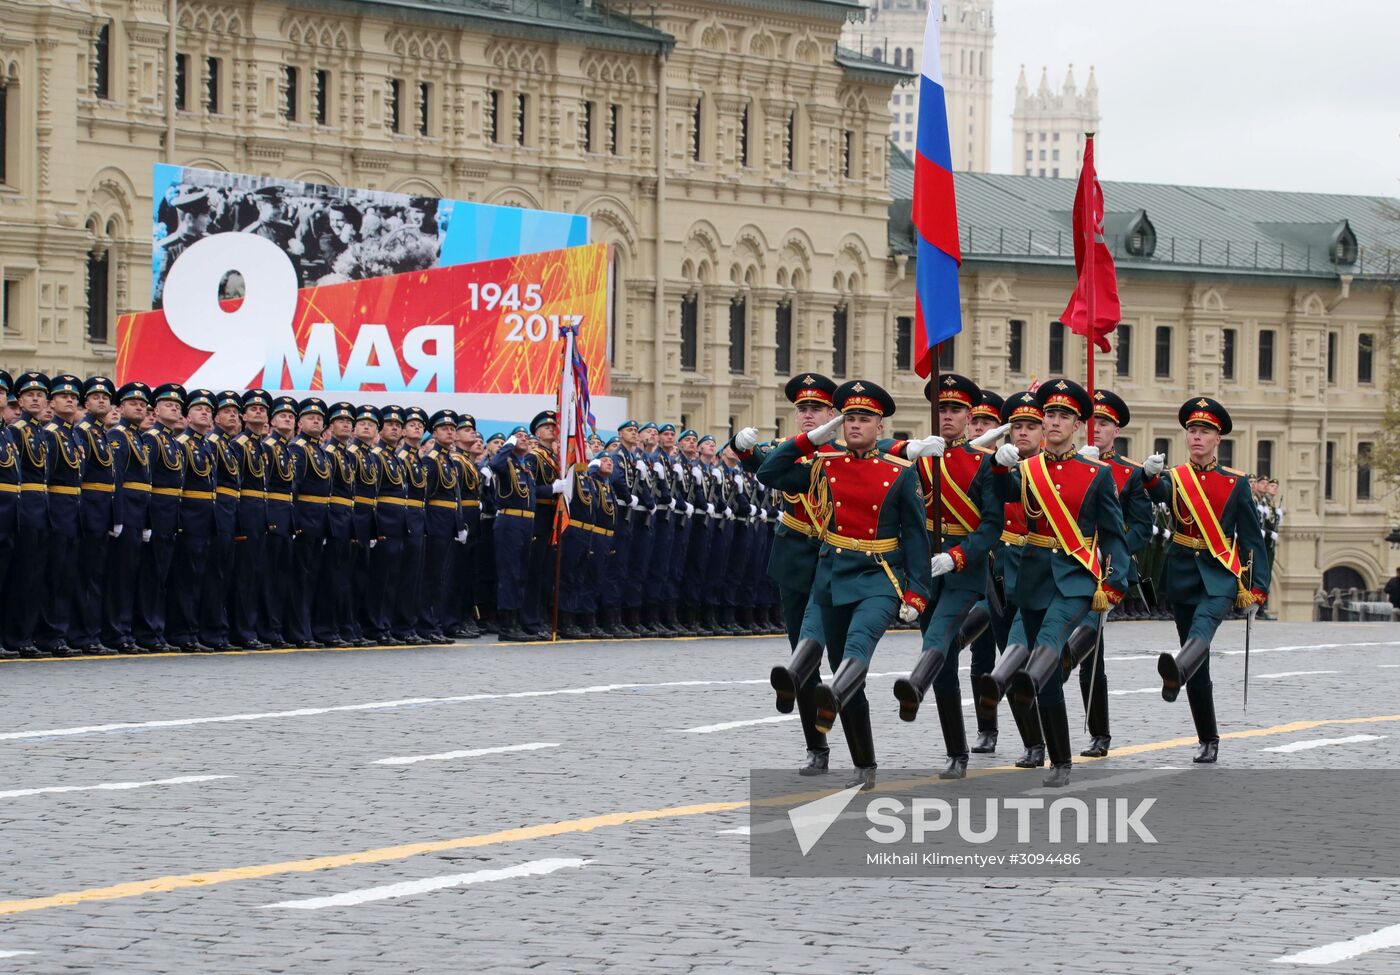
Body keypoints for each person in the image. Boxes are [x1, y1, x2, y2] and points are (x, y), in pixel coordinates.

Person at [757, 380, 932, 790]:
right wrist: (807, 440)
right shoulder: (825, 464)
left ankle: (858, 753)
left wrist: (917, 592)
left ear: (879, 425)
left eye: (863, 419)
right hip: (831, 570)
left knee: (855, 650)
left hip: (878, 575)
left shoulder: (900, 474)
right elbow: (771, 472)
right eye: (849, 418)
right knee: (811, 639)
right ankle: (797, 681)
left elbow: (917, 539)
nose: (855, 425)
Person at [991, 379, 1130, 787]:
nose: (1053, 422)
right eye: (1049, 414)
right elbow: (1002, 497)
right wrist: (999, 466)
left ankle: (1027, 682)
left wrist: (1115, 582)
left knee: (1050, 644)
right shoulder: (1026, 468)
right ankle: (1060, 760)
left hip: (1074, 580)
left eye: (1063, 416)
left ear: (1077, 425)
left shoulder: (1096, 474)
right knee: (1050, 679)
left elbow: (1114, 535)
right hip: (1032, 579)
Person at [892, 374, 1005, 780]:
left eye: (956, 409)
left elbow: (991, 526)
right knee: (944, 660)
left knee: (939, 635)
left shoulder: (983, 463)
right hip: (925, 570)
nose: (948, 416)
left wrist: (957, 557)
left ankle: (915, 685)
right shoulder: (919, 456)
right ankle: (956, 750)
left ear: (969, 415)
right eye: (941, 408)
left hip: (964, 571)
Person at [1146, 397, 1270, 764]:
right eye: (1192, 431)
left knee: (1202, 633)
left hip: (1220, 575)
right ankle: (1208, 737)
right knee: (1195, 658)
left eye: (1205, 432)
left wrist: (1257, 586)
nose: (1197, 437)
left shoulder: (1235, 483)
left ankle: (1177, 670)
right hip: (1183, 571)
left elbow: (1251, 538)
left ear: (1218, 439)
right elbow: (1156, 493)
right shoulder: (1176, 478)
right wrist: (1149, 475)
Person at [734, 373, 839, 773]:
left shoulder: (844, 453)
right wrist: (743, 450)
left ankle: (843, 721)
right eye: (802, 409)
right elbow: (767, 469)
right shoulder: (787, 451)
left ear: (832, 413)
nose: (808, 415)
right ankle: (817, 745)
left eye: (816, 408)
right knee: (803, 654)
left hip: (834, 557)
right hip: (795, 558)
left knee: (838, 654)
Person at [1056, 388, 1153, 758]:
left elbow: (1142, 527)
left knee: (1090, 650)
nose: (1097, 429)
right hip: (1068, 563)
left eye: (1106, 423)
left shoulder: (1127, 474)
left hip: (1106, 571)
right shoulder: (1067, 464)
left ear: (1117, 430)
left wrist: (1114, 554)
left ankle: (1099, 734)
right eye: (1093, 422)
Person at [68, 376, 119, 655]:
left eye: (105, 397)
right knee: (86, 576)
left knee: (95, 576)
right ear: (85, 403)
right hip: (88, 511)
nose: (102, 401)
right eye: (95, 397)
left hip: (101, 512)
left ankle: (90, 633)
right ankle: (83, 634)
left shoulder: (99, 432)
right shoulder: (83, 431)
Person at [104, 382, 152, 653]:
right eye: (133, 403)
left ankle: (125, 629)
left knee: (131, 575)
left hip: (138, 515)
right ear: (120, 408)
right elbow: (117, 480)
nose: (139, 407)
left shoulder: (138, 437)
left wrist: (146, 522)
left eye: (142, 404)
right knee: (120, 577)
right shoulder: (118, 435)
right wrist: (117, 518)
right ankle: (115, 632)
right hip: (126, 515)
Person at [287, 398, 331, 648]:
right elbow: (294, 488)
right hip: (305, 520)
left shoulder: (319, 450)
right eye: (310, 417)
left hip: (319, 521)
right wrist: (296, 523)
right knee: (300, 579)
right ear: (300, 422)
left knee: (312, 578)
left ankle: (307, 628)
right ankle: (299, 630)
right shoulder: (298, 448)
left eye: (319, 418)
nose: (316, 420)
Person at [421, 410, 465, 642]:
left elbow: (455, 497)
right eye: (444, 429)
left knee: (442, 577)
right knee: (432, 577)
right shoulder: (430, 459)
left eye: (452, 429)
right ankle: (428, 625)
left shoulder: (449, 460)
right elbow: (425, 497)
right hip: (436, 523)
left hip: (448, 523)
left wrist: (459, 524)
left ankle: (436, 622)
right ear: (435, 433)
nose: (449, 431)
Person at [522, 410, 563, 636]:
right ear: (537, 433)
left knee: (548, 572)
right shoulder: (534, 457)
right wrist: (553, 489)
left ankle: (543, 618)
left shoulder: (555, 457)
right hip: (539, 515)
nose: (551, 429)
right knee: (535, 571)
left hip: (553, 518)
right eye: (546, 427)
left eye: (553, 427)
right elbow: (528, 490)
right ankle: (530, 620)